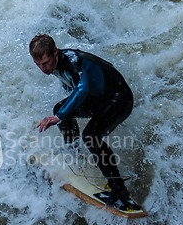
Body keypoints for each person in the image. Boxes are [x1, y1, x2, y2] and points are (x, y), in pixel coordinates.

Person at [29, 34, 140, 210]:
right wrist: (62, 113)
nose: (43, 69)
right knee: (60, 109)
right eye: (39, 65)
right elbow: (72, 89)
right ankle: (75, 156)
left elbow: (82, 89)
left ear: (55, 52)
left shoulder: (73, 62)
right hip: (100, 99)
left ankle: (119, 190)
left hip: (120, 99)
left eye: (46, 63)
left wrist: (59, 117)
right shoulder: (55, 65)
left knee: (91, 135)